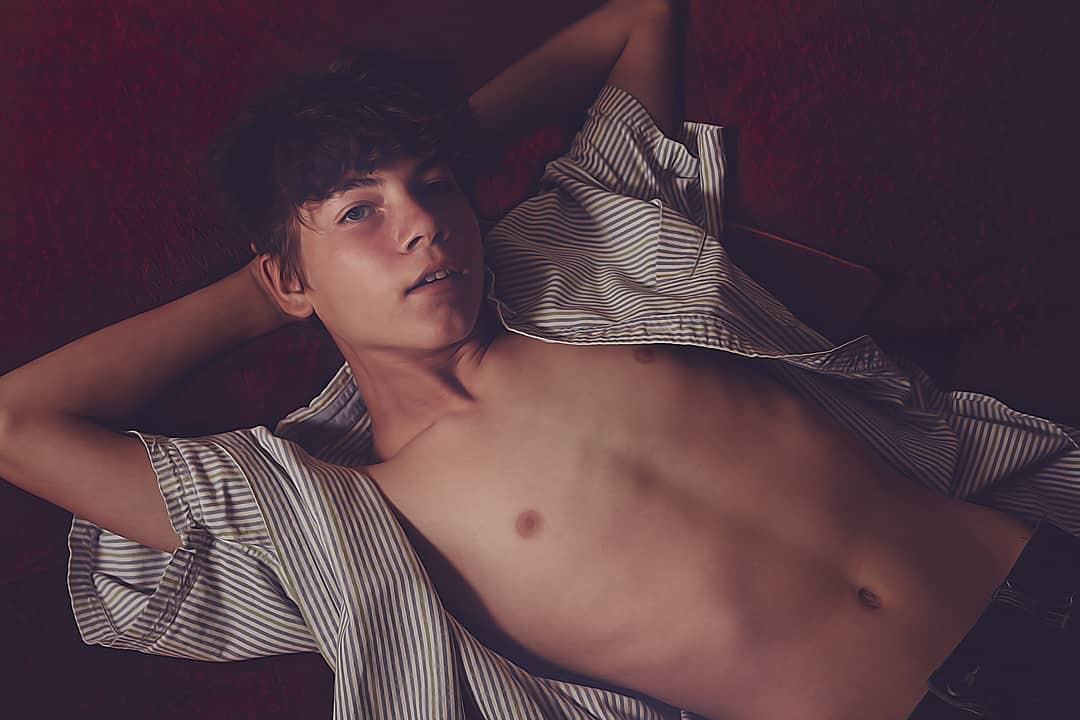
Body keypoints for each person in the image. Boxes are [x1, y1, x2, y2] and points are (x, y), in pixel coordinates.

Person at [1, 1, 1078, 718]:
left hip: (1044, 573)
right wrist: (262, 294)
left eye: (435, 187)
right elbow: (17, 421)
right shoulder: (344, 508)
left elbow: (639, 17)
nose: (424, 223)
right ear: (288, 277)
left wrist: (418, 142)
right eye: (361, 211)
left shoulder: (582, 257)